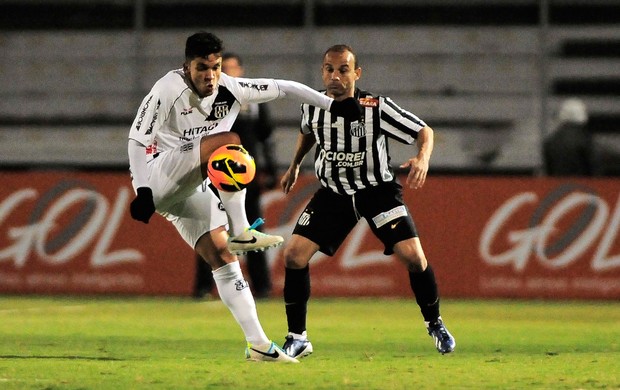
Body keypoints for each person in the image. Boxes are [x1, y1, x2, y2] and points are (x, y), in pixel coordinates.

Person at [127, 32, 362, 363]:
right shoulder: (168, 88)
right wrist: (142, 190)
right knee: (229, 141)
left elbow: (286, 87)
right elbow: (137, 140)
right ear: (186, 66)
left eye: (215, 67)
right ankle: (241, 231)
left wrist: (332, 105)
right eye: (201, 68)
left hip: (189, 189)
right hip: (157, 176)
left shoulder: (230, 87)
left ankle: (258, 345)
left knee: (223, 259)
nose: (210, 75)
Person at [279, 44, 456, 358]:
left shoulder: (375, 107)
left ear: (356, 73)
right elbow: (307, 131)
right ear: (322, 72)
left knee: (414, 258)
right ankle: (298, 336)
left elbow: (423, 130)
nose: (335, 76)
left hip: (377, 191)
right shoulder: (312, 105)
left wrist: (422, 158)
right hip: (334, 193)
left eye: (343, 69)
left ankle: (435, 322)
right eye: (329, 69)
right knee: (293, 255)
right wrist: (295, 165)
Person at [193, 53, 277, 299]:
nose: (228, 73)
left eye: (232, 68)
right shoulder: (206, 99)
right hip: (213, 174)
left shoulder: (254, 100)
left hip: (246, 176)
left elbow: (266, 137)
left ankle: (262, 287)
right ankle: (202, 287)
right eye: (224, 68)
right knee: (208, 229)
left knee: (250, 228)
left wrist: (271, 168)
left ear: (241, 71)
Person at [543, 98, 593, 176]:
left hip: (558, 186)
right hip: (581, 186)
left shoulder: (551, 141)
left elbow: (549, 170)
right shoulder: (585, 140)